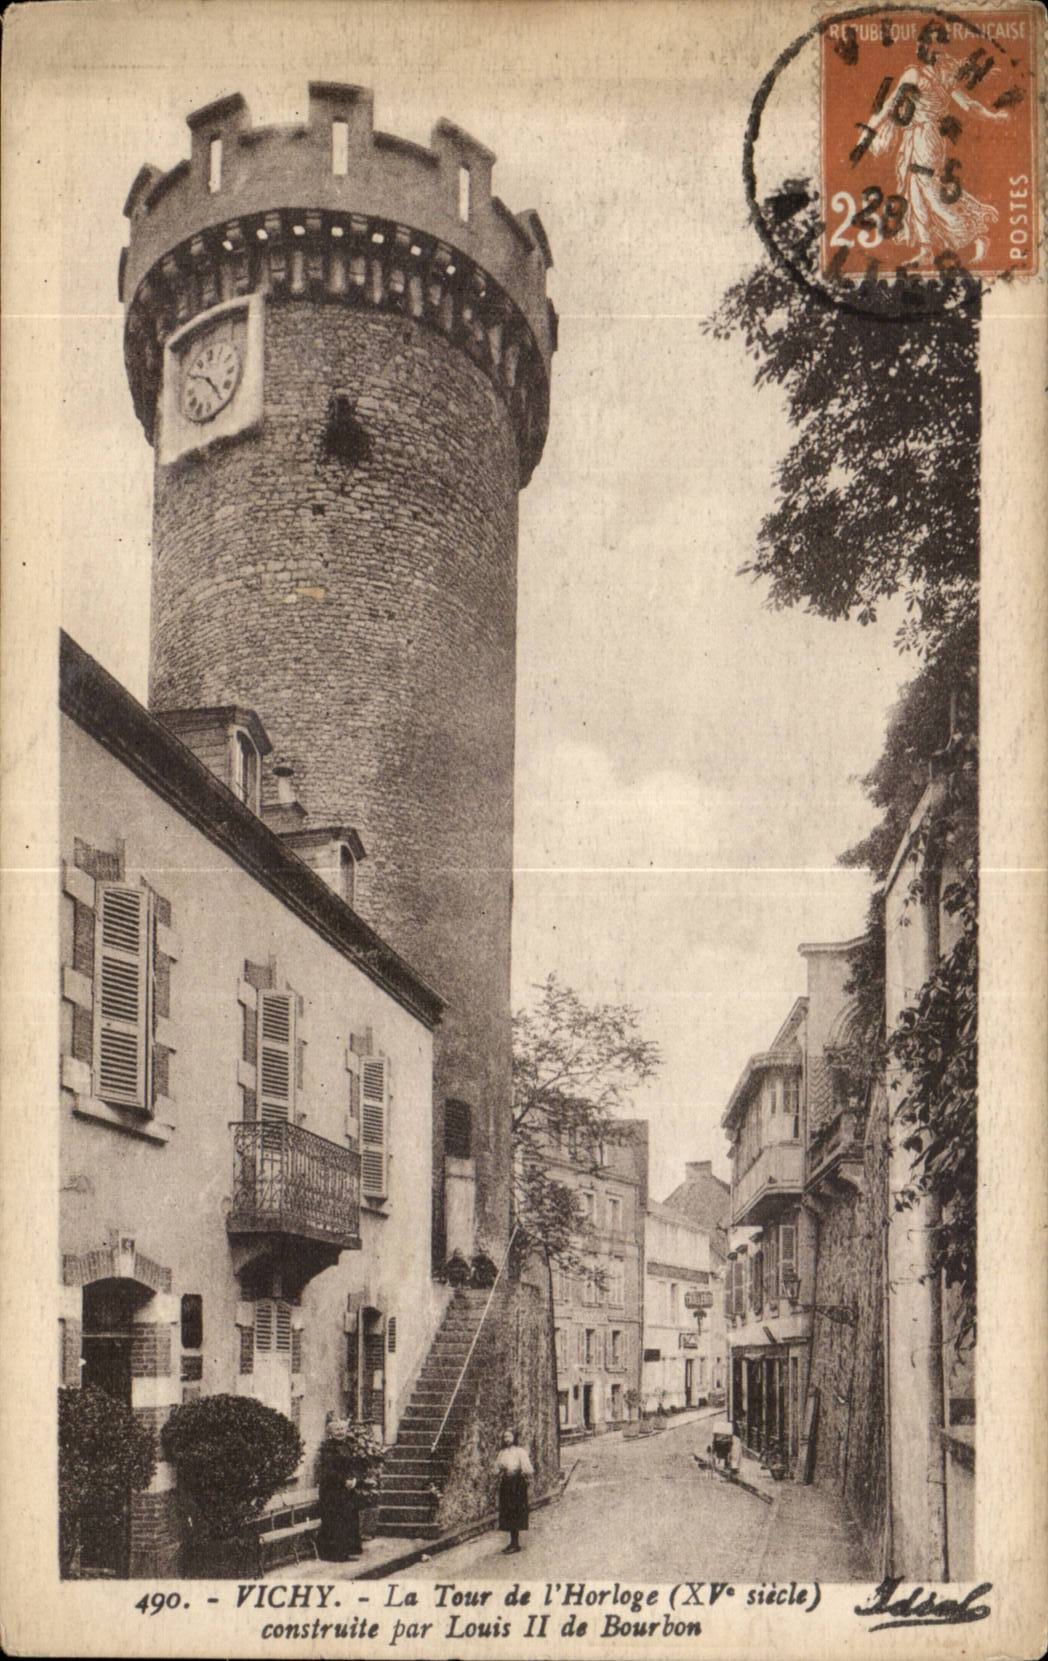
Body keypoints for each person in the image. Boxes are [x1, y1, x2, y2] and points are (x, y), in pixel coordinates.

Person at [317, 1449, 363, 1562]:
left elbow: (354, 1467)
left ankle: (346, 1551)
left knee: (349, 1517)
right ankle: (335, 1554)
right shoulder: (327, 1449)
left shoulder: (347, 1447)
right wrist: (343, 1481)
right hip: (331, 1494)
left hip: (345, 1492)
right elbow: (329, 1472)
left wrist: (354, 1481)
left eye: (342, 1429)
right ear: (332, 1431)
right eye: (337, 1429)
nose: (340, 1432)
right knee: (336, 1521)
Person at [495, 1428, 533, 1554]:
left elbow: (527, 1469)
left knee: (515, 1511)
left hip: (517, 1485)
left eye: (509, 1436)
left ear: (514, 1437)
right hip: (506, 1484)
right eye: (505, 1437)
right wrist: (500, 1471)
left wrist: (520, 1475)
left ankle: (516, 1543)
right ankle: (512, 1542)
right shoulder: (502, 1453)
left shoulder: (520, 1452)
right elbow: (497, 1469)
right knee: (508, 1512)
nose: (507, 1439)